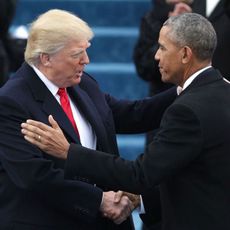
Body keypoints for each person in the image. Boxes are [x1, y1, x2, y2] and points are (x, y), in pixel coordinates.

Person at [22, 13, 230, 230]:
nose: (157, 56)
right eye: (77, 53)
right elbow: (191, 174)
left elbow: (139, 175)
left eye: (162, 48)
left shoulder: (187, 110)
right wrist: (141, 201)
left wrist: (69, 151)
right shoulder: (221, 91)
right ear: (46, 58)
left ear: (185, 54)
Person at [0, 9, 176, 230]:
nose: (86, 61)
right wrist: (98, 201)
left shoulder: (82, 84)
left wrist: (184, 90)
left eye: (86, 51)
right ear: (46, 58)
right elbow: (33, 175)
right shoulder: (11, 101)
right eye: (76, 55)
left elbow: (132, 115)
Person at [133, 0, 230, 147]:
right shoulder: (160, 13)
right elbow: (144, 66)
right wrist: (172, 34)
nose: (157, 55)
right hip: (166, 117)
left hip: (220, 117)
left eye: (162, 48)